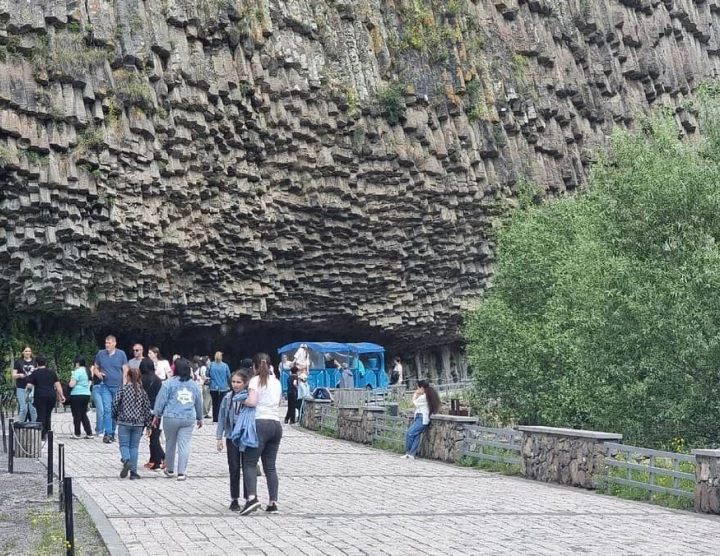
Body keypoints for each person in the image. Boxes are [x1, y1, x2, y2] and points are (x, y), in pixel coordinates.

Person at [239, 352, 283, 515]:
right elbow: (278, 402)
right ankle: (273, 502)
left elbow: (252, 401)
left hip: (260, 423)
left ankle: (252, 498)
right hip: (275, 424)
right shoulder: (276, 382)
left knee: (249, 463)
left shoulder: (255, 381)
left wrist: (240, 399)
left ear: (254, 367)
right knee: (270, 466)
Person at [153, 358, 203, 481]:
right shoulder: (194, 385)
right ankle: (181, 472)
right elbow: (199, 402)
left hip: (171, 417)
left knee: (170, 444)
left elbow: (161, 400)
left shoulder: (169, 383)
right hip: (188, 418)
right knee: (184, 445)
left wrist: (156, 414)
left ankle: (170, 469)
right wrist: (199, 417)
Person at [217, 370, 253, 511]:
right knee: (234, 468)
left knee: (247, 467)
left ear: (245, 383)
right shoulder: (227, 398)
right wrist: (219, 437)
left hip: (245, 436)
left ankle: (247, 497)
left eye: (239, 382)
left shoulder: (250, 397)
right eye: (233, 382)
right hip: (232, 435)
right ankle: (234, 498)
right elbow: (221, 418)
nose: (236, 385)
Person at [112, 368, 152, 480]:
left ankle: (126, 460)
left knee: (124, 445)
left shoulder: (123, 390)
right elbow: (147, 409)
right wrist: (148, 425)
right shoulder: (142, 392)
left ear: (127, 377)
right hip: (138, 423)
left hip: (124, 421)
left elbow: (115, 403)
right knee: (134, 447)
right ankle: (134, 472)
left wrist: (115, 416)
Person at [93, 335, 129, 444]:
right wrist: (98, 373)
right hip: (106, 386)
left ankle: (113, 432)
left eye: (109, 343)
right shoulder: (101, 354)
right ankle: (108, 433)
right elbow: (95, 367)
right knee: (107, 409)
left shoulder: (121, 354)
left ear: (114, 343)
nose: (107, 345)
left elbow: (125, 370)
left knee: (115, 411)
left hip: (118, 386)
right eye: (106, 343)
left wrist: (124, 386)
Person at [25, 354, 65, 439]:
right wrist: (62, 396)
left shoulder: (35, 373)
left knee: (41, 414)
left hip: (40, 396)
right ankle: (48, 432)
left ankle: (42, 434)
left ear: (37, 363)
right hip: (51, 395)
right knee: (48, 414)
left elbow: (29, 386)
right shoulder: (52, 372)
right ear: (45, 363)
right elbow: (58, 385)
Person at [401, 380, 441, 460]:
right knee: (416, 436)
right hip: (421, 417)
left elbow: (413, 403)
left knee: (410, 433)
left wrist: (415, 394)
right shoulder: (427, 395)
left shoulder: (423, 397)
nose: (417, 389)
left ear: (421, 387)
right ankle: (411, 454)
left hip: (421, 418)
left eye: (418, 388)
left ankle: (408, 452)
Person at [140, 357, 165, 470]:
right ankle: (155, 460)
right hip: (156, 410)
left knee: (137, 435)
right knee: (154, 436)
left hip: (142, 410)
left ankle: (163, 457)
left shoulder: (141, 379)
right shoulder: (158, 380)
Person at [69, 355, 93, 439]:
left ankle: (77, 433)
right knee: (83, 414)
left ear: (77, 363)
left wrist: (69, 383)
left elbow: (72, 384)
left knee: (77, 415)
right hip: (86, 394)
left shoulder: (77, 371)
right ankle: (89, 433)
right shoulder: (87, 371)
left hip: (76, 394)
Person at [12, 345, 37, 423]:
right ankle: (20, 425)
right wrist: (19, 375)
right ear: (22, 352)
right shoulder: (18, 362)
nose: (27, 353)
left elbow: (39, 372)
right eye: (26, 351)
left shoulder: (35, 361)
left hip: (32, 388)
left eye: (29, 351)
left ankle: (34, 425)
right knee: (24, 408)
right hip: (21, 387)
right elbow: (13, 375)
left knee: (33, 408)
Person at [208, 351, 231, 423]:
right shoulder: (225, 366)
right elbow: (229, 376)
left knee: (214, 403)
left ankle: (215, 418)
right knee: (221, 403)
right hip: (223, 387)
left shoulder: (210, 365)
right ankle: (221, 418)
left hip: (213, 387)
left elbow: (207, 374)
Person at [90, 364, 104, 436]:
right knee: (100, 410)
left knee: (107, 409)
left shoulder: (108, 366)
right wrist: (97, 372)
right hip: (97, 387)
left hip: (106, 388)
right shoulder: (94, 367)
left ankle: (103, 428)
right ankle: (99, 430)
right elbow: (90, 378)